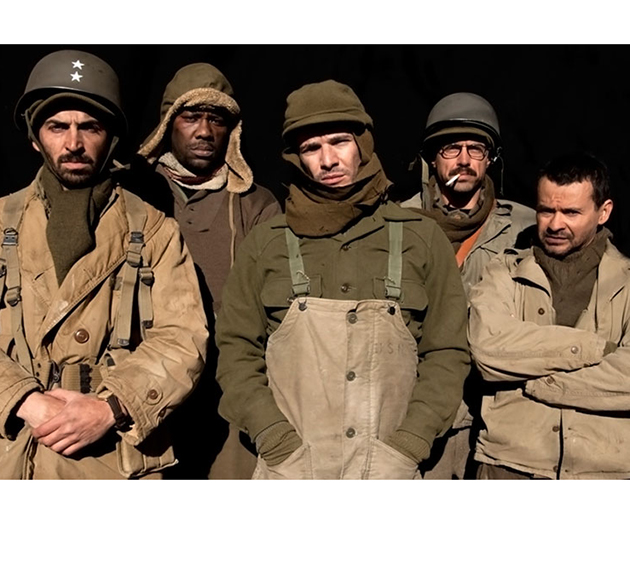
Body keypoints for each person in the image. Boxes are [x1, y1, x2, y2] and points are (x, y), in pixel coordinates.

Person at [215, 79, 470, 479]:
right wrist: (274, 439)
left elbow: (447, 353)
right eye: (311, 148)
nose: (328, 160)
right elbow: (236, 351)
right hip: (291, 472)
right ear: (297, 158)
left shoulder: (421, 238)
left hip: (390, 473)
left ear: (362, 144)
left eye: (339, 142)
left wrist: (409, 445)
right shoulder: (266, 244)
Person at [0, 50, 207, 479]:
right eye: (58, 126)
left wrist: (111, 406)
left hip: (111, 456)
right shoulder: (1, 222)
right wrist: (22, 398)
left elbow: (184, 337)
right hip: (14, 444)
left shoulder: (154, 229)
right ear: (35, 138)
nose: (73, 143)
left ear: (111, 137)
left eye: (89, 127)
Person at [136, 63, 281, 479]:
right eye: (191, 117)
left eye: (216, 119)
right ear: (168, 124)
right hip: (145, 385)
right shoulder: (133, 194)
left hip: (226, 392)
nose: (204, 131)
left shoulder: (257, 205)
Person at [469, 152, 630, 479]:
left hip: (604, 472)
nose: (555, 224)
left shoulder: (627, 282)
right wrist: (597, 349)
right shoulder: (504, 271)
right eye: (546, 210)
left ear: (604, 212)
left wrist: (538, 381)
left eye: (571, 212)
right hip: (508, 465)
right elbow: (487, 349)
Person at [401, 92, 535, 479]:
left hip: (499, 409)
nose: (464, 160)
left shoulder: (526, 228)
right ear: (432, 158)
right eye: (451, 148)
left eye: (476, 149)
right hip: (418, 404)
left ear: (490, 159)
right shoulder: (397, 224)